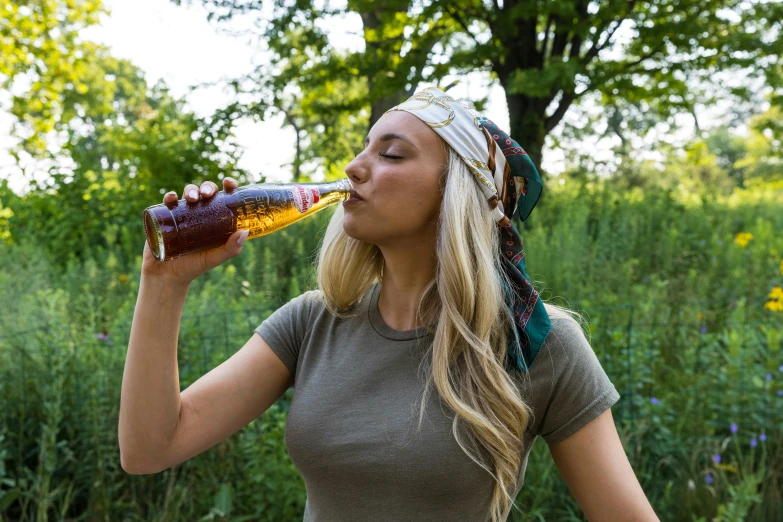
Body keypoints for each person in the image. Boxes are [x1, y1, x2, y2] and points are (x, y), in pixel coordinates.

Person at [119, 87, 660, 522]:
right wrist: (163, 285)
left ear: (458, 190)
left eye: (391, 153)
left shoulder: (534, 342)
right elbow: (150, 449)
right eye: (363, 147)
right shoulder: (313, 322)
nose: (355, 167)